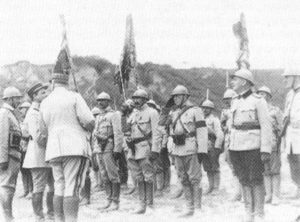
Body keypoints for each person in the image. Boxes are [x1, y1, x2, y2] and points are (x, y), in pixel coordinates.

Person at [38, 53, 95, 222]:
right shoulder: (74, 97)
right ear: (67, 80)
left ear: (53, 82)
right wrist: (85, 129)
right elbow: (90, 120)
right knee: (72, 186)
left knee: (59, 186)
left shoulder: (44, 102)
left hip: (54, 150)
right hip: (75, 147)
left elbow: (43, 130)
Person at [229, 68, 272, 222]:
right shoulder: (234, 100)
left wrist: (266, 149)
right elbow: (231, 126)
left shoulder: (258, 100)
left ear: (244, 82)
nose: (232, 82)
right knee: (243, 179)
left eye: (235, 79)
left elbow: (266, 126)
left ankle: (259, 213)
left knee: (256, 179)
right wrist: (229, 147)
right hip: (236, 147)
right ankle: (249, 211)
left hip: (253, 147)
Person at [159, 85, 208, 217]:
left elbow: (202, 131)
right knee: (183, 178)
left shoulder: (195, 110)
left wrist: (202, 150)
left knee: (195, 179)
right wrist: (166, 108)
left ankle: (197, 208)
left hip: (191, 148)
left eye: (178, 96)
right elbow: (161, 123)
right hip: (177, 149)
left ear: (186, 97)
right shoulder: (173, 112)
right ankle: (189, 207)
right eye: (173, 97)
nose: (175, 99)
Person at [23, 82, 55, 221]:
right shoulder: (33, 113)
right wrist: (53, 140)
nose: (46, 94)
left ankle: (51, 213)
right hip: (38, 156)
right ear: (34, 96)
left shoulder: (42, 110)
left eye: (45, 92)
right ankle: (39, 216)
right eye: (42, 93)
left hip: (47, 155)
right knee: (39, 188)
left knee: (53, 186)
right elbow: (39, 138)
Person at [125, 89, 160, 214]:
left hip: (145, 148)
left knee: (148, 177)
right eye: (134, 98)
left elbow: (157, 133)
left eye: (138, 98)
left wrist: (155, 150)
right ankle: (141, 204)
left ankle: (150, 205)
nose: (135, 100)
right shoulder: (133, 113)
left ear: (145, 99)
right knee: (138, 177)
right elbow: (128, 128)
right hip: (133, 149)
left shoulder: (152, 112)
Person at [93, 92, 123, 211]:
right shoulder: (99, 116)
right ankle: (108, 199)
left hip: (109, 147)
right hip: (100, 148)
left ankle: (115, 201)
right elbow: (95, 133)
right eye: (99, 100)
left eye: (103, 100)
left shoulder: (113, 115)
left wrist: (117, 149)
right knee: (104, 175)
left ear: (108, 101)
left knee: (113, 175)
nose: (100, 103)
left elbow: (118, 133)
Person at [257, 86, 283, 205]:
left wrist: (279, 142)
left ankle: (276, 195)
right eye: (259, 94)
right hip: (260, 143)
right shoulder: (256, 110)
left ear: (268, 96)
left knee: (275, 169)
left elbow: (281, 127)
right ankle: (268, 194)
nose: (261, 96)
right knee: (265, 170)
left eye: (263, 94)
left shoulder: (275, 110)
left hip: (273, 142)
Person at [0, 86, 23, 221]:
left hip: (13, 156)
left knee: (10, 187)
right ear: (9, 99)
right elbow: (2, 137)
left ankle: (9, 215)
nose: (19, 101)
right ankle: (8, 217)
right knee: (6, 187)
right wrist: (2, 159)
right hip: (8, 156)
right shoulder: (4, 113)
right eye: (16, 98)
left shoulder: (10, 113)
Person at [220, 89, 242, 201]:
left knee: (241, 166)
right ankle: (238, 192)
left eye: (229, 99)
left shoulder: (239, 108)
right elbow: (222, 126)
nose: (227, 102)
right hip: (229, 140)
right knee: (232, 166)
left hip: (239, 139)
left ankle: (241, 192)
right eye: (226, 100)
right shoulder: (225, 112)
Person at [200, 99, 224, 195]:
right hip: (203, 146)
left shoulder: (214, 120)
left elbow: (219, 134)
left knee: (214, 166)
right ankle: (210, 186)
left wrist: (217, 147)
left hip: (212, 144)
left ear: (211, 110)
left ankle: (216, 187)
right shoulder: (200, 119)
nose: (205, 110)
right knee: (207, 167)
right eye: (204, 108)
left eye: (207, 108)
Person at [18, 101, 33, 199]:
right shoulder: (20, 121)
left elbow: (29, 134)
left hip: (29, 148)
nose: (21, 111)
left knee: (30, 170)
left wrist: (22, 135)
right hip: (21, 149)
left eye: (23, 109)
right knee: (23, 170)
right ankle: (26, 190)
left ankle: (31, 191)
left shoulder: (31, 119)